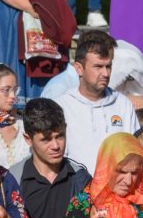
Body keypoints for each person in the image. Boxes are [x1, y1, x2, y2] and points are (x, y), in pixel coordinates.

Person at [53, 31, 137, 171]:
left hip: (117, 191)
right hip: (77, 190)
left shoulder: (123, 105)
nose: (105, 73)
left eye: (108, 66)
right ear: (79, 69)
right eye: (98, 67)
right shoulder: (61, 107)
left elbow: (134, 153)